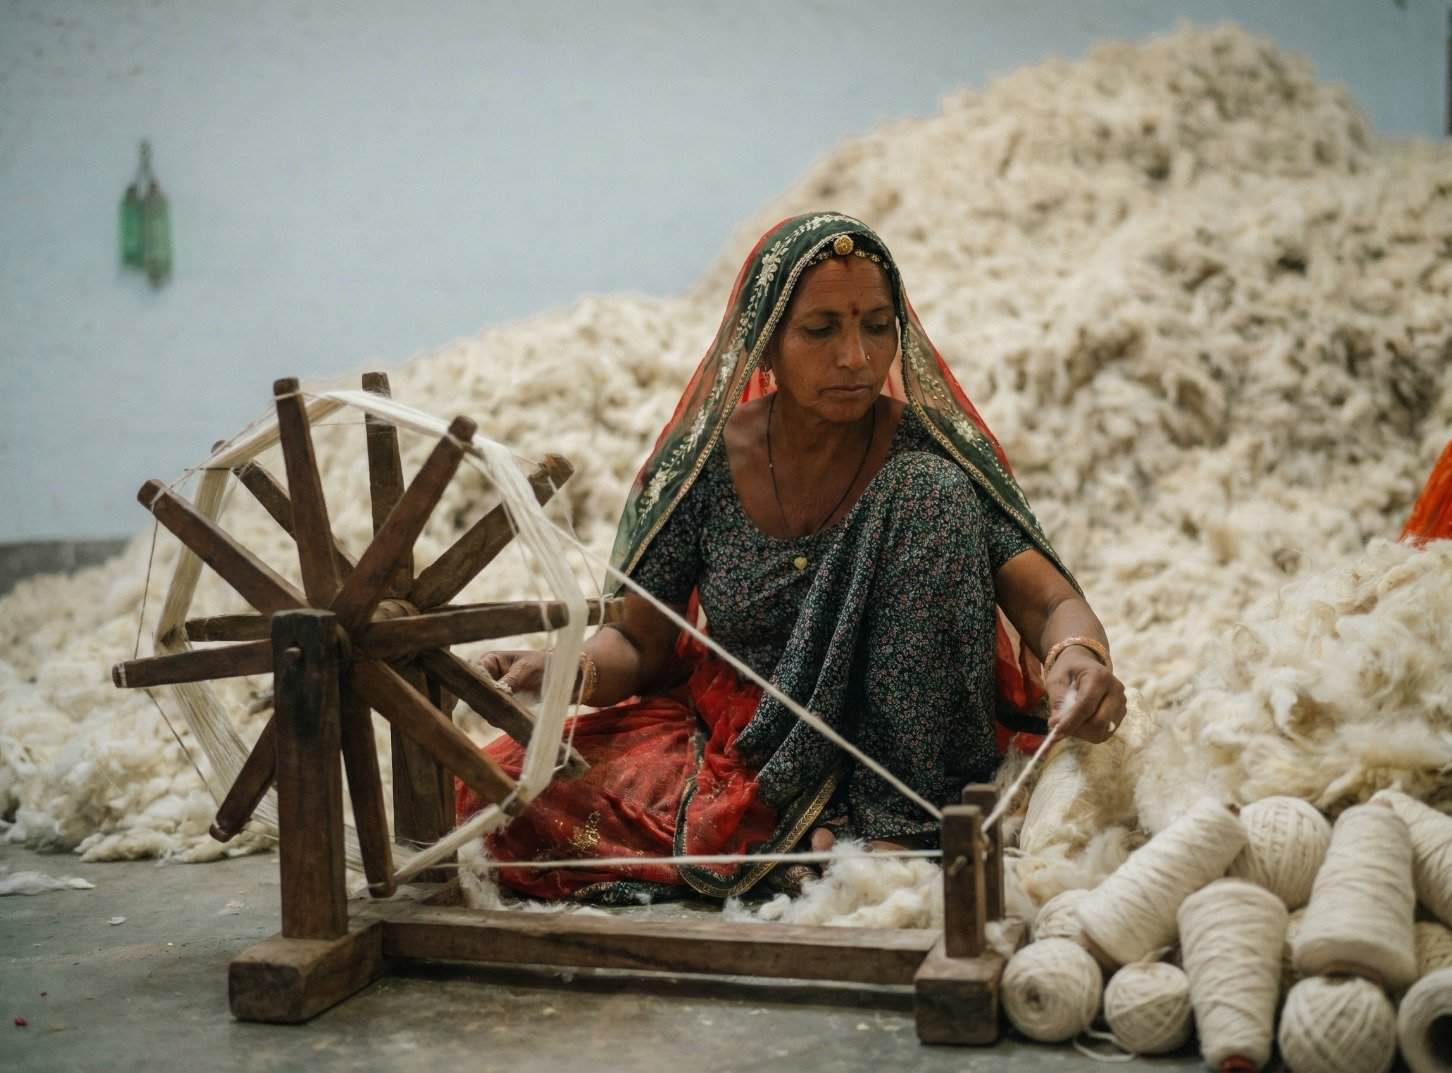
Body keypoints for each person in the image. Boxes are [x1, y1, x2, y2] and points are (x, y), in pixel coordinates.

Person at [463, 212, 1126, 903]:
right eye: (821, 330)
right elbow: (641, 638)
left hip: (906, 755)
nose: (856, 357)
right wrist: (570, 668)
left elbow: (1049, 603)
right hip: (756, 748)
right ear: (765, 344)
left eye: (876, 325)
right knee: (503, 792)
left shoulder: (926, 450)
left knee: (931, 491)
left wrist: (1078, 654)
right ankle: (801, 831)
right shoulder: (708, 465)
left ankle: (894, 833)